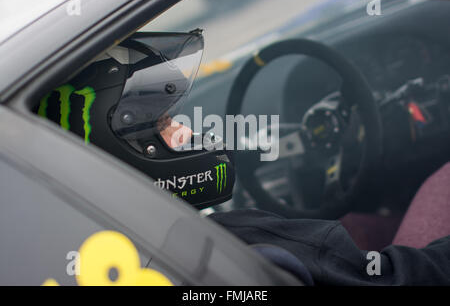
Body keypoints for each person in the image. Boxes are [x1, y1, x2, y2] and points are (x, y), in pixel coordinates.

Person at [37, 31, 450, 285]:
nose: (186, 132)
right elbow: (412, 276)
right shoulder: (242, 240)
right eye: (160, 123)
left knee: (358, 225)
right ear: (115, 148)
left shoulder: (79, 258)